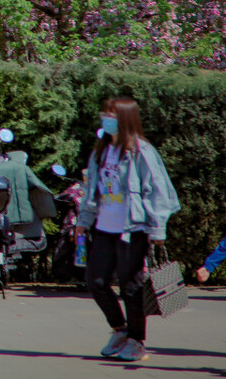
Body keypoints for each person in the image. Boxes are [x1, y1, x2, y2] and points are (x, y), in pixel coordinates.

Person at [75, 96, 180, 362]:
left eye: (112, 114)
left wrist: (157, 230)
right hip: (104, 227)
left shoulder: (141, 151)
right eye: (105, 113)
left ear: (125, 118)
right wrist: (83, 222)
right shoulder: (101, 151)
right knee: (96, 281)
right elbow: (91, 190)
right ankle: (119, 330)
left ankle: (136, 340)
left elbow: (158, 191)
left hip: (132, 229)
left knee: (130, 286)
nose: (106, 118)